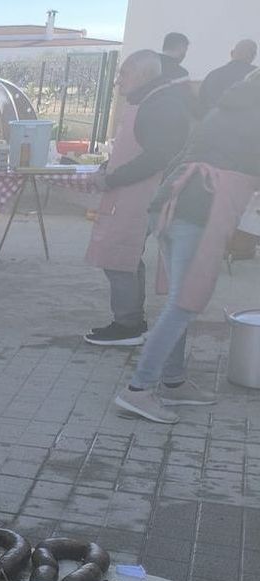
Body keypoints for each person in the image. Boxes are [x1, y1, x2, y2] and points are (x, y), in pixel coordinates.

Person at [114, 72, 260, 423]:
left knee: (181, 299)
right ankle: (138, 390)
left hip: (171, 204)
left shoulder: (229, 107)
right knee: (185, 301)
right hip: (198, 212)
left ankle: (174, 381)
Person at [82, 50, 193, 346]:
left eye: (123, 74)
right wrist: (108, 167)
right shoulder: (150, 100)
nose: (118, 82)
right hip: (134, 192)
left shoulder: (161, 105)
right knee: (123, 254)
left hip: (149, 194)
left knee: (119, 254)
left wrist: (112, 178)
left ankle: (129, 326)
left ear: (143, 76)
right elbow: (133, 149)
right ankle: (132, 321)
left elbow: (156, 157)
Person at [200, 39, 257, 108]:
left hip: (214, 118)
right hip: (247, 118)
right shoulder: (256, 74)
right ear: (253, 56)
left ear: (232, 53)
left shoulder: (211, 76)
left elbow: (201, 104)